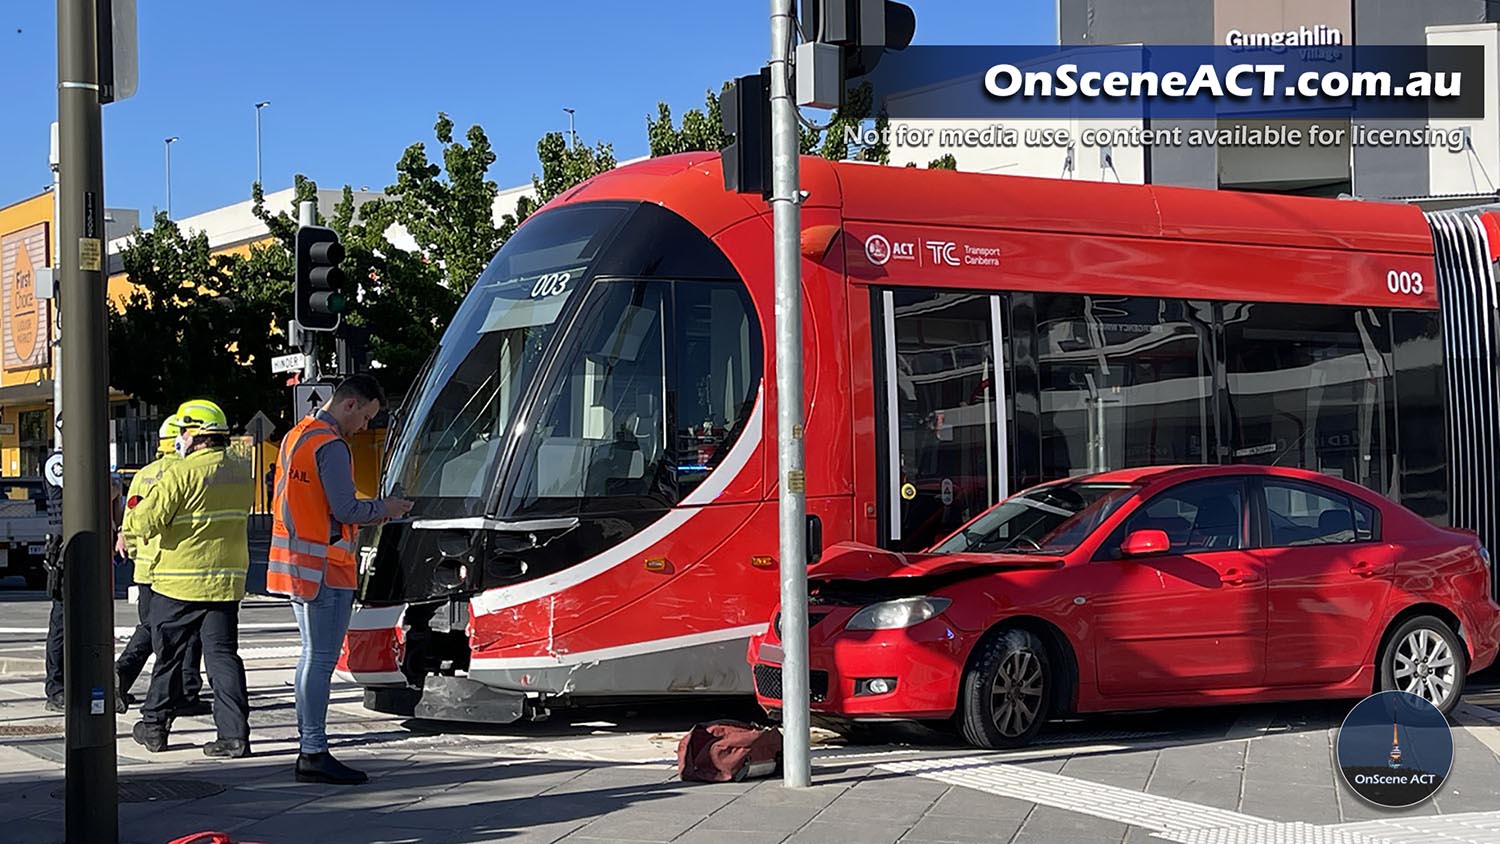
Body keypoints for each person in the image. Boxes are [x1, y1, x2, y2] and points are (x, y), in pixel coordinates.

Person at [268, 374, 412, 785]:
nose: (364, 428)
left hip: (298, 564)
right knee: (321, 659)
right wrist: (389, 507)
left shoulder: (299, 435)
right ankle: (313, 751)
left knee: (310, 657)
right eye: (366, 418)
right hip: (326, 569)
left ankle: (309, 745)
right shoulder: (331, 446)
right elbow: (346, 510)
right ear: (350, 404)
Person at [128, 399, 255, 758]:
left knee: (168, 656)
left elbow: (143, 522)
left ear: (196, 435)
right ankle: (234, 737)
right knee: (223, 658)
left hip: (178, 582)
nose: (180, 438)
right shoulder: (240, 471)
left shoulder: (180, 474)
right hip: (225, 584)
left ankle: (154, 727)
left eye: (184, 432)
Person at [114, 414, 210, 715]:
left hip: (145, 567)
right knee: (185, 634)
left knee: (151, 628)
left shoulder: (144, 474)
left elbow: (131, 516)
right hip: (176, 567)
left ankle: (123, 677)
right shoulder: (184, 471)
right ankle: (184, 691)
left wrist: (124, 537)